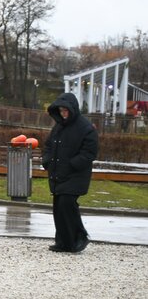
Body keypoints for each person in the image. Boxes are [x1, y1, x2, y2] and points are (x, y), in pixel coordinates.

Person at [42, 92, 99, 253]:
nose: (63, 113)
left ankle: (79, 237)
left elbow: (89, 152)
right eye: (61, 111)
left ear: (72, 109)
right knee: (59, 207)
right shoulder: (59, 126)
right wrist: (47, 160)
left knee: (67, 204)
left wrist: (72, 164)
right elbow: (49, 145)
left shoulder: (86, 128)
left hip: (76, 174)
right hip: (58, 173)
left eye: (65, 110)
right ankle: (64, 242)